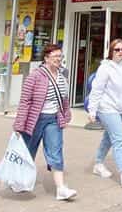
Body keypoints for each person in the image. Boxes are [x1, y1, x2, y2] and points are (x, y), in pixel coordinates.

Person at [12, 44, 77, 201]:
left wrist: (66, 115)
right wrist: (19, 124)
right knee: (28, 151)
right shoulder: (35, 76)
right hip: (35, 120)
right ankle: (19, 181)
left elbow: (64, 99)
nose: (58, 60)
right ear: (46, 58)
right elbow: (25, 101)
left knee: (55, 151)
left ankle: (61, 188)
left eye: (60, 57)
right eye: (55, 57)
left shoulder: (62, 76)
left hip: (53, 119)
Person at [88, 38, 122, 188]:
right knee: (118, 138)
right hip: (107, 107)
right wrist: (92, 110)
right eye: (117, 50)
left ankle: (98, 164)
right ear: (111, 51)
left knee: (109, 138)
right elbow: (97, 89)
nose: (120, 52)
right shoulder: (106, 68)